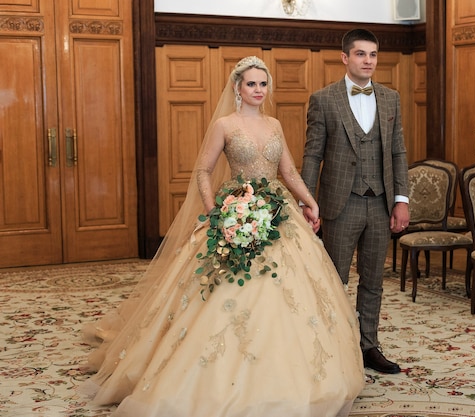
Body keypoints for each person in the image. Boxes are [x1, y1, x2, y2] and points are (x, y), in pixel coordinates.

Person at [79, 56, 364, 417]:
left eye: (263, 84)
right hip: (235, 208)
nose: (258, 90)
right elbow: (203, 170)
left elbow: (288, 171)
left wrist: (310, 203)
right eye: (251, 84)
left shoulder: (275, 124)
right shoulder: (224, 125)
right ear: (237, 88)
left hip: (278, 213)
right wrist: (217, 209)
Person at [301, 29, 410, 375]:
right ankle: (331, 348)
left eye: (373, 54)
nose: (368, 61)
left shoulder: (391, 99)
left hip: (380, 203)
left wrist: (401, 200)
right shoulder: (324, 99)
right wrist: (307, 202)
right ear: (345, 58)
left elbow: (397, 153)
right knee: (333, 280)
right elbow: (312, 154)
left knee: (373, 280)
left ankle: (368, 346)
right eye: (361, 54)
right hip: (339, 203)